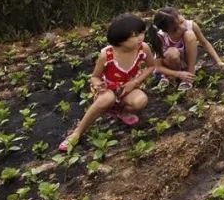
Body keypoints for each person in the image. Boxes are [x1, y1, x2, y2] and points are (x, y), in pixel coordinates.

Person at [59, 14, 154, 152]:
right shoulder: (107, 55)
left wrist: (135, 82)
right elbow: (95, 77)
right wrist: (98, 85)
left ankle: (120, 111)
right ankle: (77, 133)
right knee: (107, 98)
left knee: (140, 100)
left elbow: (151, 66)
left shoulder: (143, 48)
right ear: (120, 39)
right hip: (109, 89)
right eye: (135, 35)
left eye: (142, 33)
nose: (141, 37)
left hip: (129, 88)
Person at [149, 6, 224, 90]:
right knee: (172, 52)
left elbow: (205, 43)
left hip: (185, 62)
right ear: (166, 31)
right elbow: (158, 67)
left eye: (181, 22)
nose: (182, 28)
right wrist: (178, 74)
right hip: (169, 65)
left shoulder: (191, 25)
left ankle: (190, 73)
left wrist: (219, 61)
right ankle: (171, 77)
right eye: (175, 29)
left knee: (190, 34)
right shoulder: (161, 37)